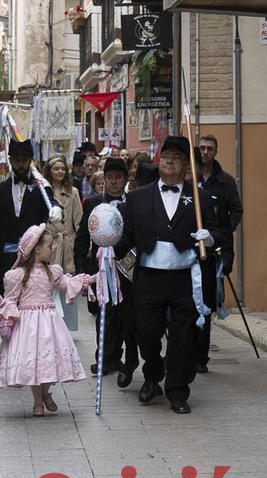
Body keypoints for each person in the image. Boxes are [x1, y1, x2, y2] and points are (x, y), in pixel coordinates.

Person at [114, 135, 219, 415]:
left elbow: (219, 233)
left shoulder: (200, 200)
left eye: (177, 158)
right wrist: (108, 243)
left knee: (182, 337)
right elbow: (126, 237)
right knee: (146, 333)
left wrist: (209, 238)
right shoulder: (138, 197)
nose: (170, 162)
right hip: (149, 277)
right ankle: (152, 374)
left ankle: (177, 390)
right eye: (166, 157)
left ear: (186, 165)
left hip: (185, 278)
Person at [0, 224, 90, 416]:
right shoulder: (17, 275)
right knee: (33, 362)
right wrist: (6, 321)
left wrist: (88, 280)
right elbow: (11, 300)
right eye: (48, 246)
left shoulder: (52, 271)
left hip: (49, 323)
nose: (51, 249)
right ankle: (38, 401)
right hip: (27, 325)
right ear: (36, 248)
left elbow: (66, 284)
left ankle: (45, 393)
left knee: (48, 360)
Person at [75, 158, 137, 385]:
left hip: (125, 268)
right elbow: (83, 236)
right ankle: (104, 357)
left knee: (124, 314)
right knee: (103, 312)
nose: (113, 182)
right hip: (99, 269)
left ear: (125, 179)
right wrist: (81, 266)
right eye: (109, 178)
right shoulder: (92, 204)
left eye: (118, 178)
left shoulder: (133, 202)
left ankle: (120, 356)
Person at [0, 139, 63, 297]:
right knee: (7, 305)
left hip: (34, 259)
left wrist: (56, 209)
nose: (21, 164)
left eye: (25, 160)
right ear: (10, 160)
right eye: (17, 160)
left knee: (33, 305)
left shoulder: (40, 186)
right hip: (7, 258)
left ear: (30, 160)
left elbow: (51, 201)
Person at [195, 134, 244, 373]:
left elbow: (236, 209)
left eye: (209, 148)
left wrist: (225, 231)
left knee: (208, 302)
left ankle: (200, 356)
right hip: (192, 247)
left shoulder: (225, 181)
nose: (205, 152)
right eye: (202, 148)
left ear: (216, 151)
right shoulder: (190, 177)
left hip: (216, 249)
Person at [42, 155, 83, 331]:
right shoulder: (43, 191)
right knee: (46, 282)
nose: (59, 171)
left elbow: (78, 219)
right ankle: (48, 323)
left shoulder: (73, 192)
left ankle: (68, 325)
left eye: (62, 169)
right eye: (56, 168)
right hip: (48, 243)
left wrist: (81, 243)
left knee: (67, 283)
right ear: (49, 171)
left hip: (67, 243)